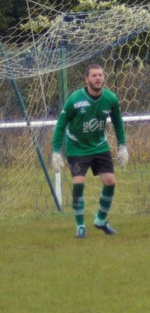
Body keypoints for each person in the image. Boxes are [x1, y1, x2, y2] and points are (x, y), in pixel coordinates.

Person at [51, 64, 129, 238]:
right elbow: (61, 124)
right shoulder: (75, 99)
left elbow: (118, 123)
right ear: (86, 80)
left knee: (110, 181)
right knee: (78, 182)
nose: (98, 78)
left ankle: (100, 220)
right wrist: (56, 151)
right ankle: (80, 226)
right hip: (76, 147)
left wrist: (122, 146)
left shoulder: (111, 99)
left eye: (100, 75)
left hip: (99, 145)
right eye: (94, 75)